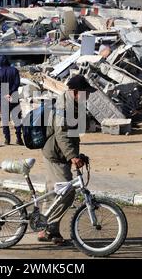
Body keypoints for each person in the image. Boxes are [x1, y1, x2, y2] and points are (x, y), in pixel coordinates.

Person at [39, 75, 97, 245]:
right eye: (86, 93)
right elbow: (62, 134)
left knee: (54, 193)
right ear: (76, 92)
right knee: (66, 192)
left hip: (60, 154)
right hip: (56, 155)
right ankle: (46, 228)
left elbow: (74, 133)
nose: (89, 96)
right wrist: (72, 156)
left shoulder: (74, 105)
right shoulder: (64, 107)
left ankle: (48, 230)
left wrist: (77, 155)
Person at [0, 55, 23, 146]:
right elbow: (17, 83)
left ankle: (7, 139)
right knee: (17, 118)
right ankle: (19, 138)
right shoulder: (14, 70)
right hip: (14, 96)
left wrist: (5, 93)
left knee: (5, 119)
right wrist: (11, 92)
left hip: (4, 97)